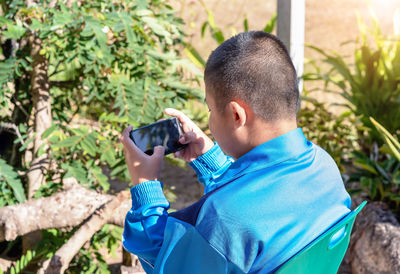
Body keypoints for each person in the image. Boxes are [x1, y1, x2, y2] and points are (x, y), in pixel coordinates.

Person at [120, 31, 351, 273]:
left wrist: (144, 184)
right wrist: (212, 163)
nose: (209, 122)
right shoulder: (326, 167)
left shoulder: (225, 218)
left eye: (210, 110)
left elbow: (167, 263)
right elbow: (264, 197)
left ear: (236, 115)